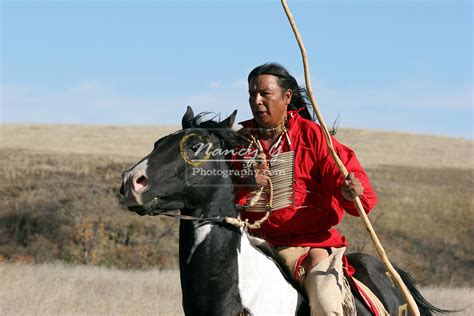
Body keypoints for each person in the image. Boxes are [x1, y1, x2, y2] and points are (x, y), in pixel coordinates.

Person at [231, 62, 378, 316]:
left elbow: (360, 197)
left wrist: (349, 191)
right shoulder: (240, 142)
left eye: (265, 93)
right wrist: (245, 181)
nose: (257, 101)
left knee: (326, 304)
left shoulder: (314, 137)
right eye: (251, 94)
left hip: (308, 249)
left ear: (287, 97)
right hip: (251, 247)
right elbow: (219, 197)